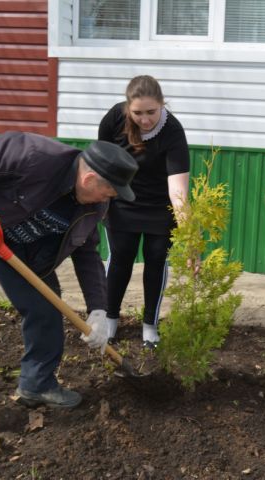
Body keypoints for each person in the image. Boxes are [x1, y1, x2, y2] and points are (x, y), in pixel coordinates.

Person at [0, 131, 138, 440]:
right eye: (110, 191)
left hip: (18, 248)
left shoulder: (94, 206)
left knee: (46, 307)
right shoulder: (35, 154)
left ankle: (37, 384)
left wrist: (99, 310)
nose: (111, 198)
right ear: (90, 179)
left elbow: (87, 253)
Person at [97, 75, 190, 349]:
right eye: (138, 113)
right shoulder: (113, 119)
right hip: (121, 202)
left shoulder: (172, 131)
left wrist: (188, 234)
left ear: (162, 104)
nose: (145, 119)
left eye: (151, 112)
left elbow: (178, 191)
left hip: (160, 208)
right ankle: (110, 319)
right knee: (120, 259)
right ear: (128, 107)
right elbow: (102, 163)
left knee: (156, 261)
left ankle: (150, 325)